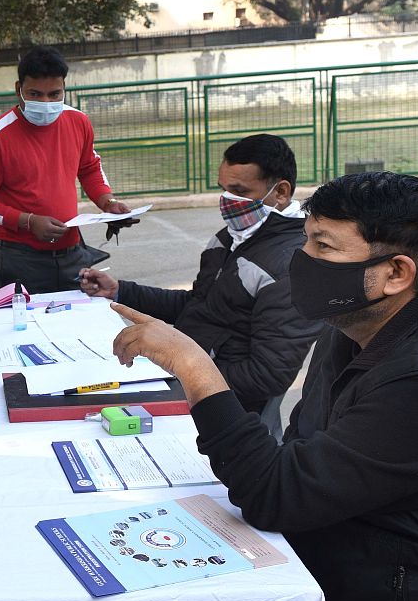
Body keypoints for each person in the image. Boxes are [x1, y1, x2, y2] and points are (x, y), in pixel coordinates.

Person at [112, 172, 418, 601]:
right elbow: (300, 451)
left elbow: (277, 493)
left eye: (323, 246)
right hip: (314, 560)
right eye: (306, 240)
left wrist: (194, 366)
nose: (299, 259)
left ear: (396, 272)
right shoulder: (356, 326)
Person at [81, 134, 321, 432]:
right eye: (223, 190)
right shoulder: (228, 238)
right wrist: (119, 290)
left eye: (239, 191)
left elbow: (267, 376)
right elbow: (197, 305)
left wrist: (180, 364)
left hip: (225, 412)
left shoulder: (290, 267)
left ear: (280, 192)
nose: (227, 201)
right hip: (184, 380)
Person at [0, 45, 136, 294]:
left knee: (77, 328)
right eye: (35, 94)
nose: (46, 102)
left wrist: (108, 203)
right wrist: (28, 221)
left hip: (73, 253)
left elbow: (88, 168)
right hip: (20, 259)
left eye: (55, 94)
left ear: (64, 89)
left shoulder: (78, 122)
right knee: (27, 330)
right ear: (18, 90)